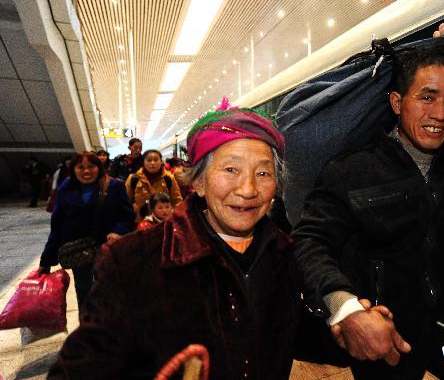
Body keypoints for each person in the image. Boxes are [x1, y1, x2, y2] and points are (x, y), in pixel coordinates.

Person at [291, 20, 444, 379]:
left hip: (430, 317)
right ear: (397, 102)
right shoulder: (351, 170)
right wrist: (346, 309)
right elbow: (310, 241)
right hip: (379, 324)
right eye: (426, 97)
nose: (440, 115)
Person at [48, 107, 302, 379]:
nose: (248, 189)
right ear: (199, 182)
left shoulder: (284, 253)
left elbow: (286, 333)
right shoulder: (131, 261)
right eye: (231, 169)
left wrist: (343, 318)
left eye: (263, 174)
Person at [38, 151, 135, 309]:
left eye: (91, 166)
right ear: (73, 169)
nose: (86, 171)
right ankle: (87, 323)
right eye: (80, 167)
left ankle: (111, 323)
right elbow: (57, 226)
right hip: (78, 250)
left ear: (99, 167)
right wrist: (46, 260)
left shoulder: (114, 186)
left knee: (109, 287)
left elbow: (127, 215)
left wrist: (118, 231)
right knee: (83, 288)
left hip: (107, 248)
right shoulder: (65, 189)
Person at [125, 149, 183, 222]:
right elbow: (126, 203)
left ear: (161, 161)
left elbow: (177, 201)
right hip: (140, 222)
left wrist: (175, 218)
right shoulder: (133, 179)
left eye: (156, 160)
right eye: (149, 160)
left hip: (164, 222)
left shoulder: (168, 178)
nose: (152, 163)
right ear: (143, 162)